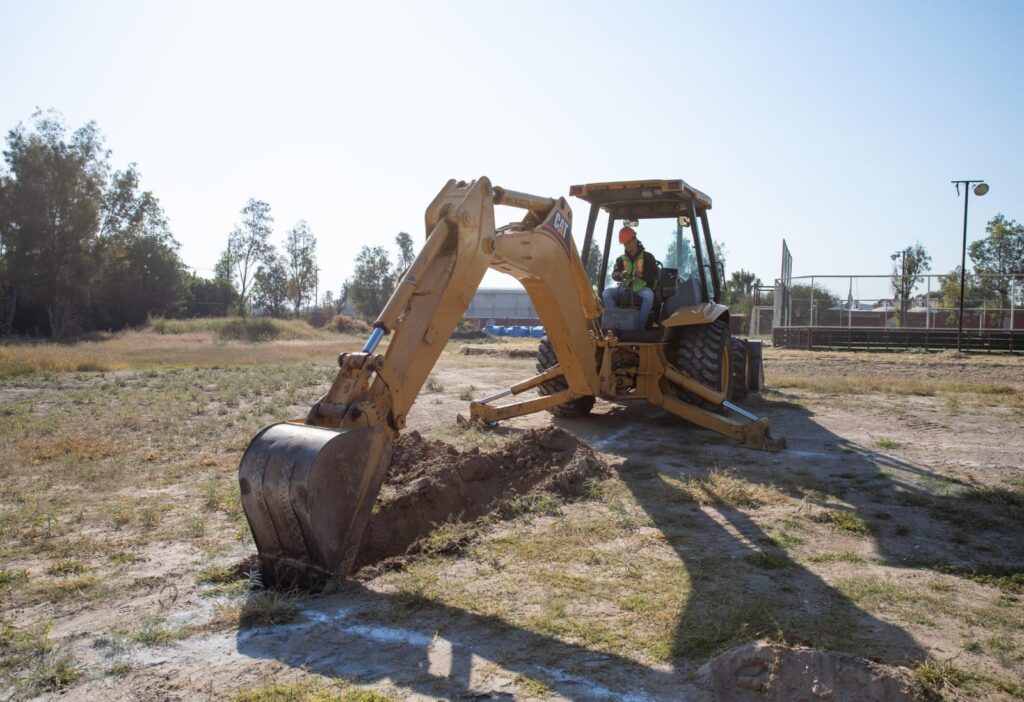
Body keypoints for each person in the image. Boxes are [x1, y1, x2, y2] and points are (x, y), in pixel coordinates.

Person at [602, 226, 657, 325]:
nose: (626, 245)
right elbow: (614, 274)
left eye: (628, 242)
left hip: (641, 287)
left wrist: (642, 275)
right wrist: (620, 274)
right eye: (624, 243)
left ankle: (641, 324)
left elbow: (653, 273)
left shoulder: (648, 257)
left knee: (649, 295)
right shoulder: (620, 259)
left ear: (635, 240)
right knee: (606, 293)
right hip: (625, 287)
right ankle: (615, 320)